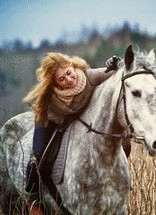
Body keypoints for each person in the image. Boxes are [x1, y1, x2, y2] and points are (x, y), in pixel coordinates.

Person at [23, 52, 121, 215]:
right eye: (62, 79)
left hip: (79, 120)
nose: (68, 80)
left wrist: (116, 63)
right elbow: (49, 116)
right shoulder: (50, 96)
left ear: (73, 66)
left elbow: (116, 73)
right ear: (55, 83)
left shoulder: (89, 76)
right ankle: (33, 201)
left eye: (69, 73)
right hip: (50, 120)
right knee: (38, 155)